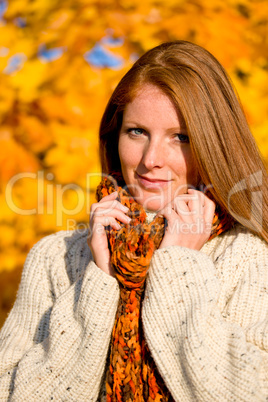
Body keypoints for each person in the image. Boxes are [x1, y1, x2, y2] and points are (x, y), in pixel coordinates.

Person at [0, 40, 267, 401]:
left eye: (181, 137)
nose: (151, 159)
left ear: (213, 144)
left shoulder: (250, 259)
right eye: (137, 132)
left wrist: (178, 268)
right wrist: (99, 280)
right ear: (115, 136)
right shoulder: (54, 258)